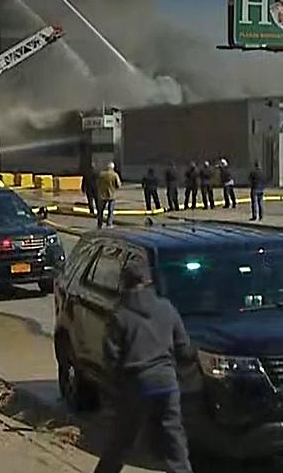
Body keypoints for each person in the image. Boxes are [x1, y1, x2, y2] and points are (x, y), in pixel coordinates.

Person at [95, 262, 195, 473]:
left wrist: (113, 388)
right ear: (148, 282)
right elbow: (184, 349)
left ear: (124, 284)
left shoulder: (119, 315)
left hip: (137, 383)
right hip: (167, 382)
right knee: (174, 438)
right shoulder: (167, 308)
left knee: (122, 438)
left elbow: (111, 356)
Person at [96, 162, 121, 228]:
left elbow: (97, 183)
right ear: (113, 168)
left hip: (102, 195)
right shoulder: (115, 175)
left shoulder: (101, 174)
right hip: (111, 195)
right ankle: (109, 223)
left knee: (100, 210)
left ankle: (99, 223)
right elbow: (118, 185)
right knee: (110, 210)